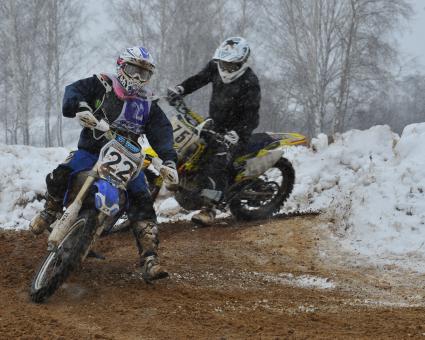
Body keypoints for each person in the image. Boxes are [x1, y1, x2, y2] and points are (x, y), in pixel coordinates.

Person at [30, 46, 178, 282]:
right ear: (121, 67)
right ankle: (50, 210)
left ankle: (149, 259)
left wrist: (168, 160)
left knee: (142, 200)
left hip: (128, 159)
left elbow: (162, 133)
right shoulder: (102, 84)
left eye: (144, 74)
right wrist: (81, 107)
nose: (138, 78)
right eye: (133, 70)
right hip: (93, 149)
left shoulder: (148, 103)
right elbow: (73, 91)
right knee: (62, 173)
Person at [167, 37, 261, 226]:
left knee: (217, 159)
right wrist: (181, 88)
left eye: (231, 65)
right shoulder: (214, 67)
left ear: (242, 63)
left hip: (236, 133)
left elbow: (252, 115)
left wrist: (237, 133)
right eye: (223, 63)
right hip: (215, 124)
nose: (226, 68)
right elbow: (199, 79)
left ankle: (209, 209)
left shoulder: (250, 81)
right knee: (189, 145)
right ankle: (180, 179)